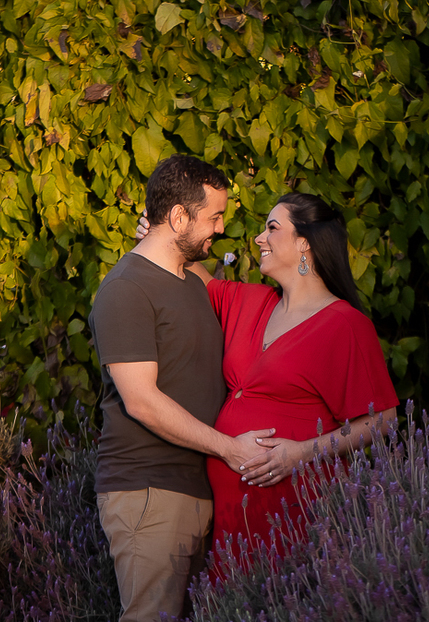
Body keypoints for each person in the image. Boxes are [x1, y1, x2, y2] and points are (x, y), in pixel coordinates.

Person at [138, 192, 398, 568]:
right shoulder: (252, 301)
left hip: (298, 504)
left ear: (304, 242)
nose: (259, 238)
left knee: (289, 591)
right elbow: (192, 274)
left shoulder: (344, 325)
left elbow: (382, 419)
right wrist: (161, 235)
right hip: (231, 513)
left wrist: (301, 454)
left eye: (272, 228)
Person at [90, 154, 274, 622]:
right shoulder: (127, 289)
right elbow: (143, 402)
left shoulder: (190, 279)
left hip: (198, 487)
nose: (220, 228)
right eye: (213, 217)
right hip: (149, 490)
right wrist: (230, 449)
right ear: (178, 217)